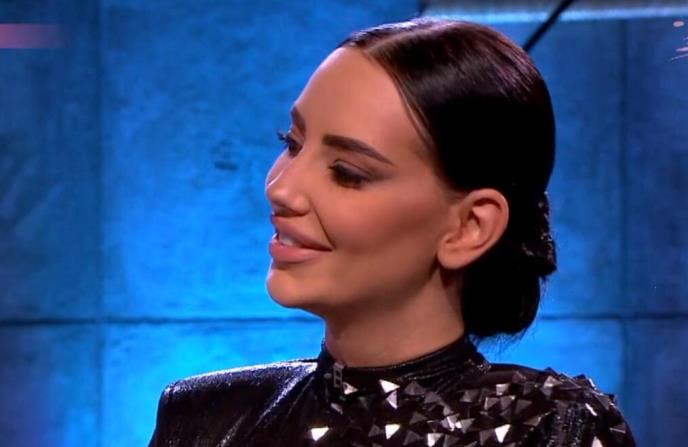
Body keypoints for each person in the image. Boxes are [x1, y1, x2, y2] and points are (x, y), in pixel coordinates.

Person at [147, 17, 636, 447]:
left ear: (470, 227)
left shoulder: (549, 428)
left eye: (347, 172)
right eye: (292, 143)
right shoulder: (205, 418)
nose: (281, 188)